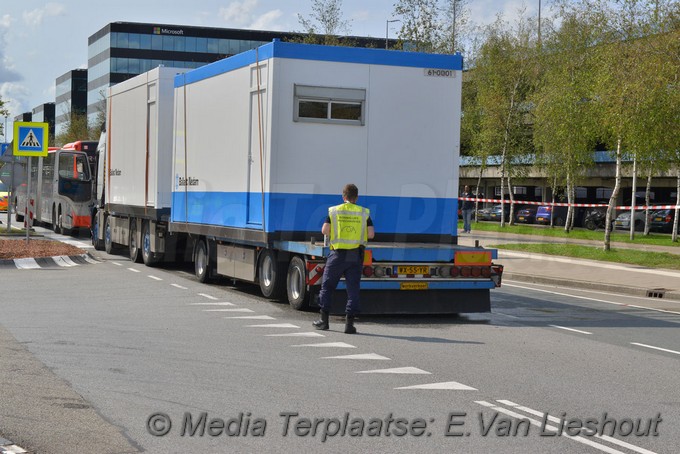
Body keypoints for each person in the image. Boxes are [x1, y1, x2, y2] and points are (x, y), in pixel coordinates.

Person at [313, 184, 375, 334]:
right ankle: (349, 324)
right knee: (353, 289)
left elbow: (325, 230)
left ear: (343, 197)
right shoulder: (364, 213)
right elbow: (371, 234)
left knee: (327, 286)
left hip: (337, 255)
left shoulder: (334, 211)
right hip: (355, 255)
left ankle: (324, 321)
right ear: (357, 197)